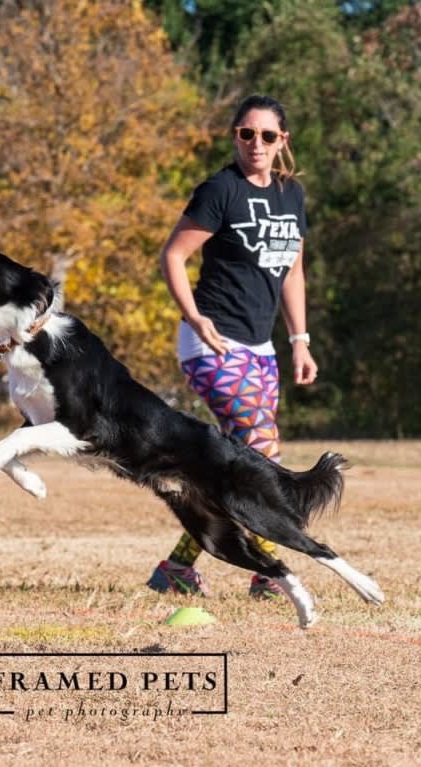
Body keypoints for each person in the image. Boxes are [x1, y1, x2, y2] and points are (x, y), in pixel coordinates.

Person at [146, 94, 318, 600]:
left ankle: (176, 569)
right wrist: (194, 317)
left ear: (282, 140)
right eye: (246, 134)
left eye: (267, 135)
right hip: (214, 346)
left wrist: (300, 341)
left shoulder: (291, 196)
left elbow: (292, 269)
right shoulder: (220, 190)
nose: (256, 144)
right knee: (264, 455)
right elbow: (173, 257)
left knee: (235, 465)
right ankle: (268, 572)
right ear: (235, 137)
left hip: (261, 349)